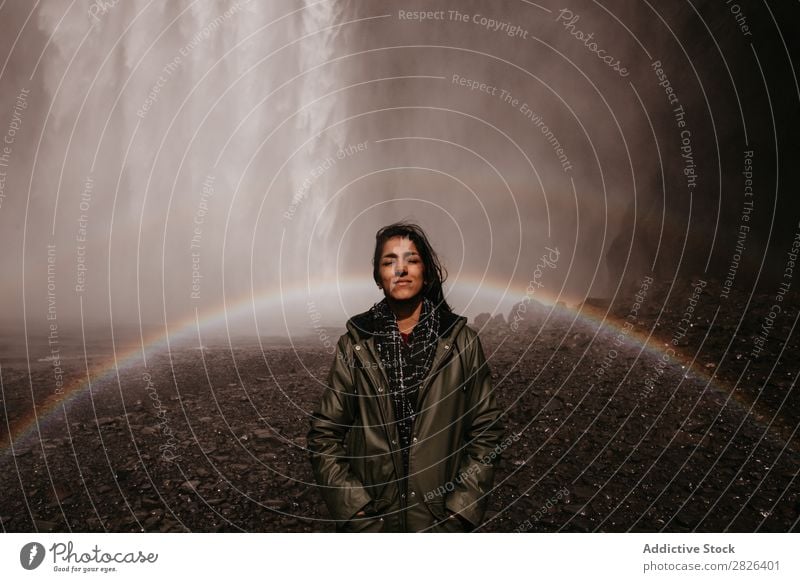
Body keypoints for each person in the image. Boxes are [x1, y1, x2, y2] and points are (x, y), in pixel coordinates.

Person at [307, 221, 505, 532]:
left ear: (425, 271)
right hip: (375, 523)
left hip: (439, 520)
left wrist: (459, 512)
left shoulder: (462, 342)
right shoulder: (356, 345)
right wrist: (356, 512)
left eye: (411, 260)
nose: (401, 269)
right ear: (377, 275)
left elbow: (486, 432)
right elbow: (324, 434)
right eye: (389, 261)